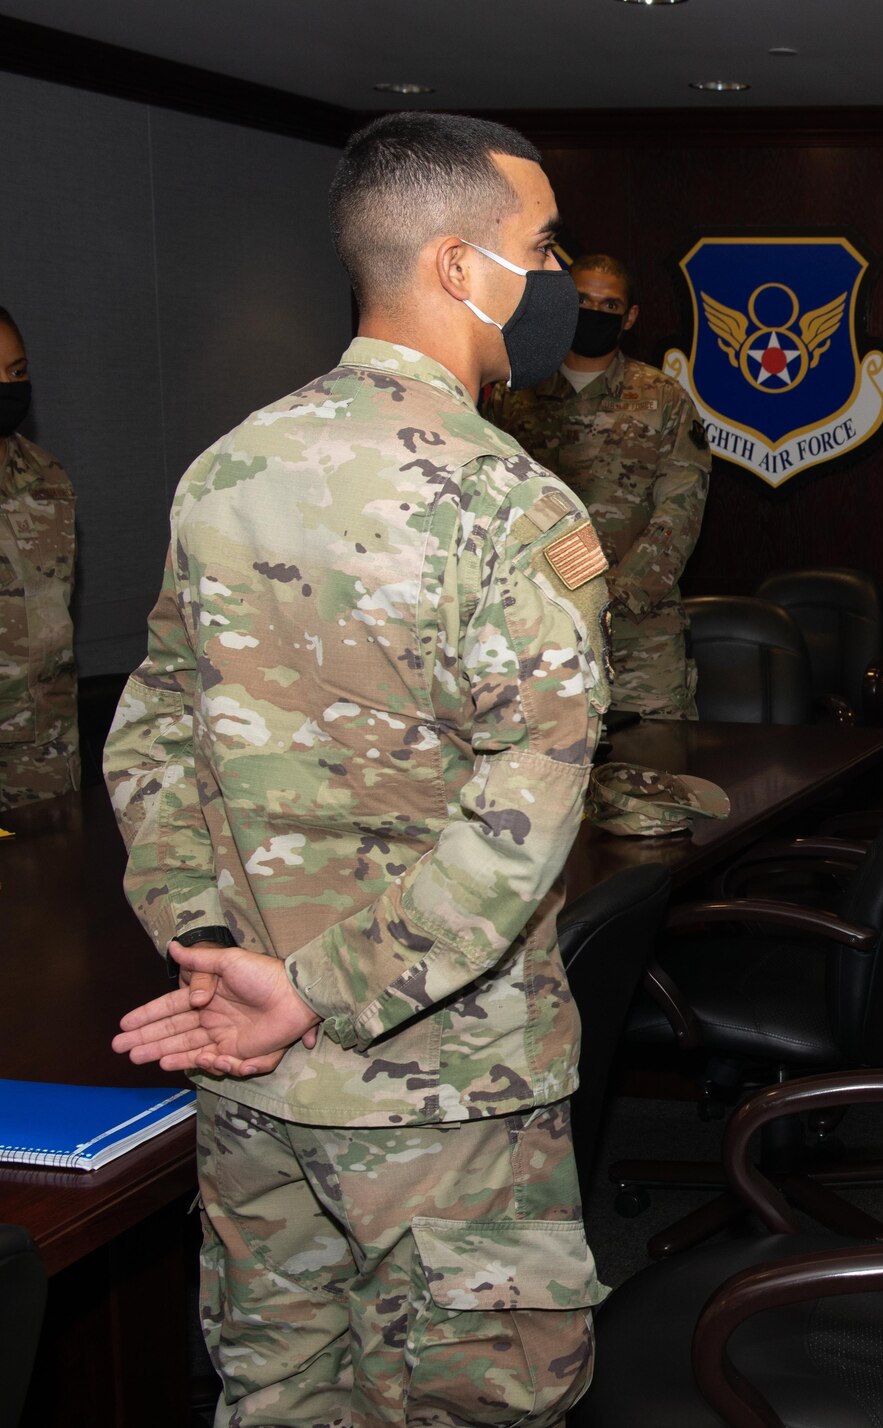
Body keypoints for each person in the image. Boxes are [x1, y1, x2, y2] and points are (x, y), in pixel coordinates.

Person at [105, 111, 613, 1428]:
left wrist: (207, 942)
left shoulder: (226, 473)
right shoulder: (513, 507)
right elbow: (525, 816)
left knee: (278, 1400)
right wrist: (313, 991)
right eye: (541, 247)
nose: (556, 279)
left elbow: (152, 726)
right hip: (446, 1100)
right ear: (458, 267)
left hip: (254, 1081)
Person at [484, 251, 711, 720]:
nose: (596, 313)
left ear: (629, 317)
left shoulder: (663, 398)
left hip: (638, 634)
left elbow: (679, 515)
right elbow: (489, 503)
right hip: (535, 629)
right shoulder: (514, 396)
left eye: (610, 306)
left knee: (655, 770)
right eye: (584, 300)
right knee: (543, 775)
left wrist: (611, 598)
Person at [0, 306, 80, 809]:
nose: (6, 386)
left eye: (16, 371)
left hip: (45, 747)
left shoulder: (47, 475)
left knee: (50, 882)